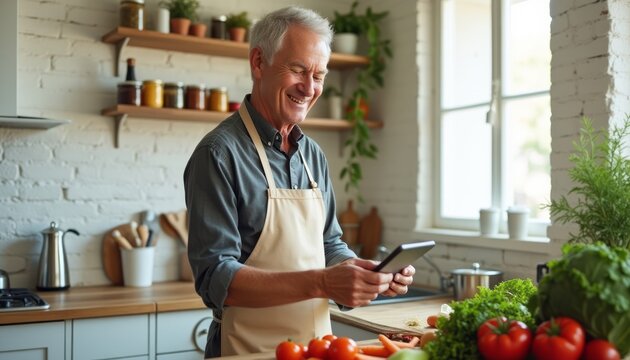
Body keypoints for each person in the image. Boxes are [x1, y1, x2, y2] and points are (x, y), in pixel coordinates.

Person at [183, 6, 415, 357]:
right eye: (298, 70)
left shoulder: (313, 156)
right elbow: (216, 278)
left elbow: (330, 244)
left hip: (318, 348)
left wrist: (363, 274)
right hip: (246, 349)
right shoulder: (218, 154)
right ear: (258, 63)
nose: (309, 88)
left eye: (319, 75)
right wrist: (323, 281)